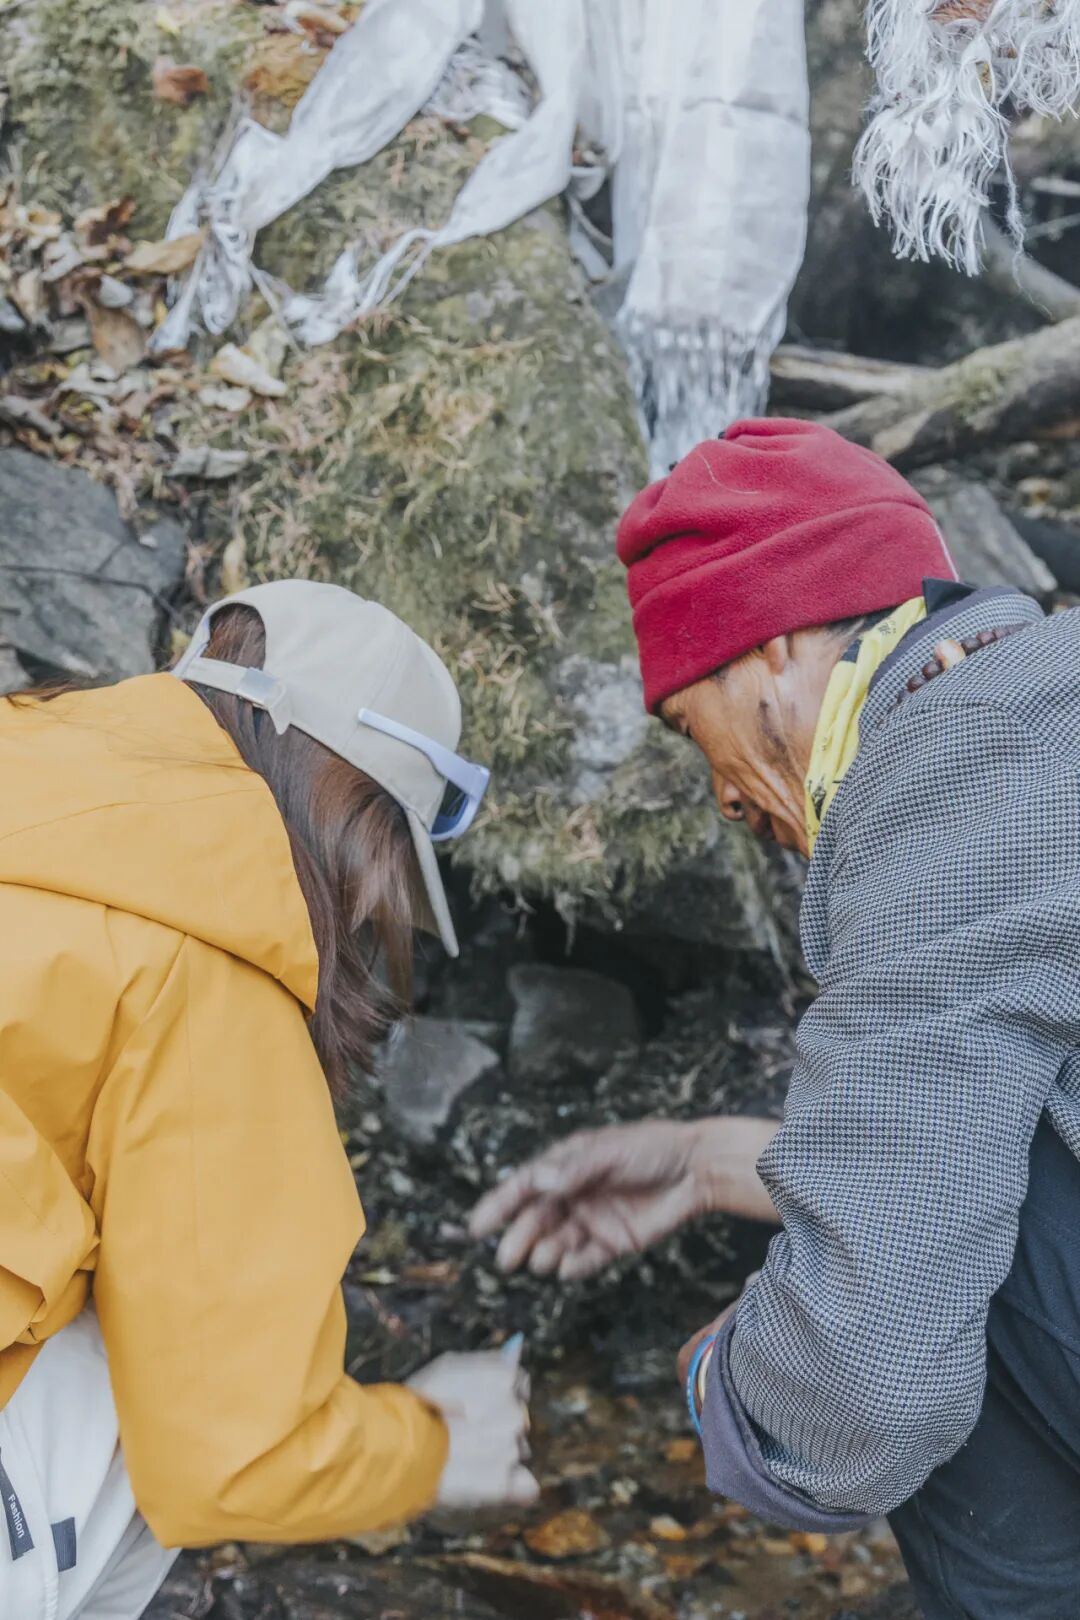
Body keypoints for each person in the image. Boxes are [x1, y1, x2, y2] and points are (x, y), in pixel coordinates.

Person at [472, 418, 1080, 1620]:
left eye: (687, 724)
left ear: (775, 647)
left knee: (914, 1313)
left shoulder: (959, 776)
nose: (723, 800)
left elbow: (871, 1385)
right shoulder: (1037, 710)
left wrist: (733, 1387)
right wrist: (711, 1162)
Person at [0, 579, 536, 1620]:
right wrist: (433, 1444)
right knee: (145, 1383)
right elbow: (231, 1454)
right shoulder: (208, 949)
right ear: (358, 823)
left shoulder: (36, 767)